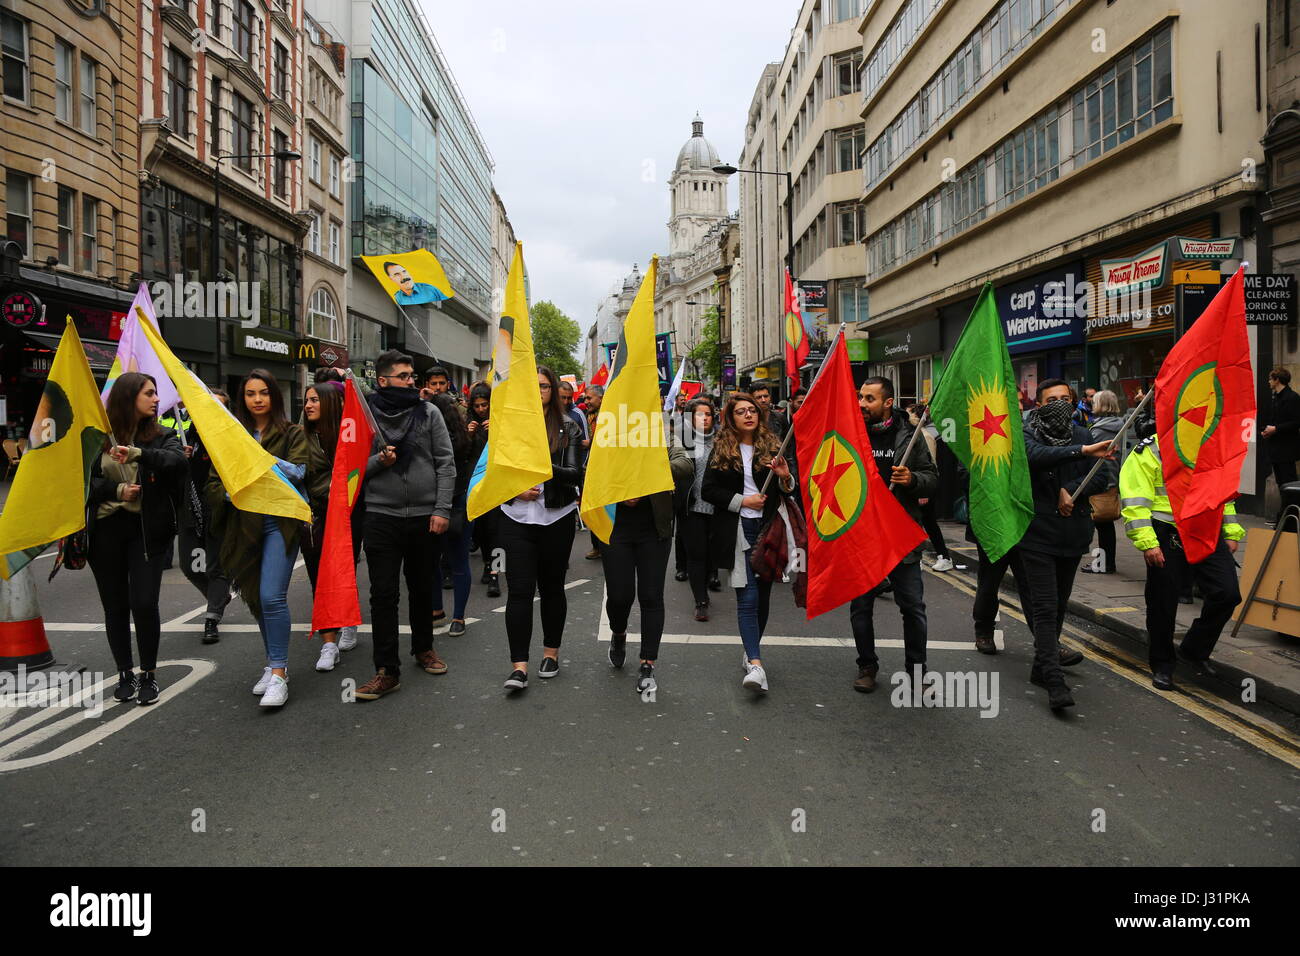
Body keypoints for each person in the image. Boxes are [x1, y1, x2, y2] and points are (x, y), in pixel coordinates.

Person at [353, 350, 457, 701]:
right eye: (404, 377)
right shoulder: (365, 417)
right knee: (383, 593)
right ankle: (387, 670)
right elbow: (352, 470)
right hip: (381, 515)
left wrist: (442, 509)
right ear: (382, 381)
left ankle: (423, 648)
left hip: (425, 516)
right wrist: (379, 463)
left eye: (413, 376)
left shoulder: (429, 413)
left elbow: (445, 462)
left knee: (422, 588)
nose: (413, 381)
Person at [207, 369, 309, 708]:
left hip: (280, 524)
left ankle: (279, 673)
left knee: (271, 596)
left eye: (264, 392)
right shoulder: (231, 435)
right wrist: (230, 494)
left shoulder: (291, 432)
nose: (257, 399)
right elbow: (213, 484)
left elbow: (299, 472)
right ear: (243, 399)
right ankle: (272, 662)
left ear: (274, 396)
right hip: (243, 527)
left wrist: (260, 457)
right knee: (255, 598)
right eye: (250, 394)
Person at [88, 373, 187, 705]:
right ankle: (125, 673)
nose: (157, 399)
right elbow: (81, 484)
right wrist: (117, 489)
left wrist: (138, 455)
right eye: (149, 393)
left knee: (144, 603)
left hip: (147, 532)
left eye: (157, 393)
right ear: (129, 397)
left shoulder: (163, 435)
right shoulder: (98, 438)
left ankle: (149, 674)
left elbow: (175, 461)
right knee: (115, 606)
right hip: (105, 531)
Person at [1018, 379, 1114, 711]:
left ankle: (1039, 668)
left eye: (1065, 398)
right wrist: (1082, 452)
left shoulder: (1084, 434)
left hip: (1072, 535)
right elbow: (1037, 457)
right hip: (1037, 534)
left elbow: (1101, 476)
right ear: (1039, 405)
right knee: (1044, 608)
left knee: (1059, 605)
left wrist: (1072, 489)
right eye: (1051, 399)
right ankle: (1055, 679)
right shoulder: (1028, 433)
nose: (1060, 403)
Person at [1120, 435, 1244, 690]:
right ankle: (1163, 665)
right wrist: (1148, 541)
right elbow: (1134, 499)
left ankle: (1194, 649)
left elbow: (1224, 492)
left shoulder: (1211, 443)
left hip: (1206, 528)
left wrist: (1231, 530)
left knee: (1227, 593)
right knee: (1162, 602)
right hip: (1167, 530)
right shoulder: (1150, 448)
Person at [702, 392, 797, 694]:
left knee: (764, 595)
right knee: (748, 596)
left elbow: (789, 488)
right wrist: (744, 500)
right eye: (741, 411)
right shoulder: (721, 447)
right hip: (739, 528)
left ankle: (750, 649)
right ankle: (756, 663)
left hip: (769, 527)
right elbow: (708, 490)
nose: (748, 415)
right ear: (731, 417)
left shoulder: (772, 444)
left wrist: (785, 477)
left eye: (752, 410)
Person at [500, 365, 585, 692]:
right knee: (519, 591)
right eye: (532, 386)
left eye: (544, 387)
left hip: (556, 518)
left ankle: (551, 653)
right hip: (516, 519)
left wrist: (542, 467)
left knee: (552, 588)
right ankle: (518, 667)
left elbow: (574, 473)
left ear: (553, 391)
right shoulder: (509, 426)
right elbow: (494, 472)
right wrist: (513, 489)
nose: (539, 392)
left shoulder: (568, 427)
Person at [849, 379, 937, 693]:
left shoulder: (911, 436)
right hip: (863, 534)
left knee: (912, 606)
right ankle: (867, 665)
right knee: (861, 607)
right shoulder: (850, 433)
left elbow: (932, 478)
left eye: (869, 398)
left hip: (899, 534)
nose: (861, 403)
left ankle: (917, 670)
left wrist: (912, 479)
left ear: (888, 402)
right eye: (860, 397)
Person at [603, 435, 692, 695]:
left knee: (651, 596)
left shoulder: (662, 439)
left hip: (654, 531)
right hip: (615, 529)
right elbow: (591, 473)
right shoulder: (609, 437)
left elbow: (685, 465)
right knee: (620, 596)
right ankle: (618, 633)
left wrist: (648, 469)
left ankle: (647, 663)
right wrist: (621, 491)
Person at [301, 381, 361, 672]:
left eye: (315, 400)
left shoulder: (348, 436)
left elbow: (359, 469)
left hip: (348, 514)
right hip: (313, 516)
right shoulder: (300, 437)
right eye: (306, 400)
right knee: (319, 577)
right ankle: (328, 643)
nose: (309, 405)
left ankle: (349, 620)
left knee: (342, 570)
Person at [177, 386, 232, 644]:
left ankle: (212, 618)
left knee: (216, 568)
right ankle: (218, 596)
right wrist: (179, 457)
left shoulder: (230, 438)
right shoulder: (186, 437)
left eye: (219, 406)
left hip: (218, 511)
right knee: (190, 567)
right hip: (189, 512)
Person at [429, 392, 474, 637]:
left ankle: (436, 610)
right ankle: (459, 616)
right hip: (461, 502)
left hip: (434, 503)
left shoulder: (429, 437)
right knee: (459, 562)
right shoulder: (466, 437)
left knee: (433, 561)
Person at [677, 398, 723, 620]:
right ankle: (701, 601)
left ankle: (709, 580)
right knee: (696, 555)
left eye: (708, 414)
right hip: (692, 507)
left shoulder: (724, 440)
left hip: (720, 509)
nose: (704, 418)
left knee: (712, 554)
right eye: (699, 414)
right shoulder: (682, 441)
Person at [907, 403, 953, 573]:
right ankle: (937, 556)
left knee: (927, 523)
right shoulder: (913, 436)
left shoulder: (924, 437)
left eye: (909, 414)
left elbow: (930, 466)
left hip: (924, 489)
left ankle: (944, 557)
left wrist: (924, 492)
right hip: (917, 487)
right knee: (922, 522)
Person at [1081, 389, 1123, 575]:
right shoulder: (1117, 424)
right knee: (1104, 525)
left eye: (1095, 401)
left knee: (1100, 524)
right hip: (1111, 479)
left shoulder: (1100, 429)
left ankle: (1103, 564)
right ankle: (1105, 563)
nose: (1092, 405)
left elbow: (1089, 456)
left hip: (1101, 480)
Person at [466, 382, 501, 597]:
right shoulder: (468, 422)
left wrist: (495, 433)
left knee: (497, 532)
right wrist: (467, 434)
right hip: (475, 485)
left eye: (485, 405)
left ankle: (497, 572)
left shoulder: (500, 422)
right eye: (477, 406)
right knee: (481, 531)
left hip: (496, 484)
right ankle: (488, 563)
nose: (481, 409)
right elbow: (461, 453)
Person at [1262, 367, 1300, 527]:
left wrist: (1276, 429)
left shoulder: (1292, 398)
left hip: (1287, 450)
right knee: (1281, 485)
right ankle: (1284, 519)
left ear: (1277, 380)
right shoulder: (1276, 398)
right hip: (1276, 449)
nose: (1269, 381)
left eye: (1271, 379)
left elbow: (1296, 422)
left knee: (1289, 485)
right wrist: (1267, 431)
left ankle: (1289, 520)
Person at [583, 384, 605, 560]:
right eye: (585, 398)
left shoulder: (610, 415)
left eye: (589, 398)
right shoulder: (588, 416)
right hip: (591, 469)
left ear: (601, 398)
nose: (586, 401)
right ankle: (596, 546)